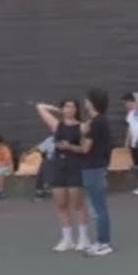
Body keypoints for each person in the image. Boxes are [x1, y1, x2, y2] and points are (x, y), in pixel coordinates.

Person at [35, 100, 91, 252]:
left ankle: (84, 238)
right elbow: (40, 107)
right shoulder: (56, 125)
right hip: (58, 167)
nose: (70, 109)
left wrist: (69, 147)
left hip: (75, 166)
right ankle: (67, 239)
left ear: (77, 110)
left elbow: (85, 149)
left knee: (78, 204)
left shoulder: (82, 127)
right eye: (67, 106)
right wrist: (58, 110)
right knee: (61, 204)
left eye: (73, 106)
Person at [63, 88, 114, 257]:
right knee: (97, 207)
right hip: (94, 167)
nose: (84, 102)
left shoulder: (96, 122)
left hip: (94, 168)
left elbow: (85, 148)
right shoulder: (98, 121)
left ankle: (104, 243)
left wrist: (70, 145)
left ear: (93, 102)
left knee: (98, 208)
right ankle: (101, 241)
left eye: (87, 99)